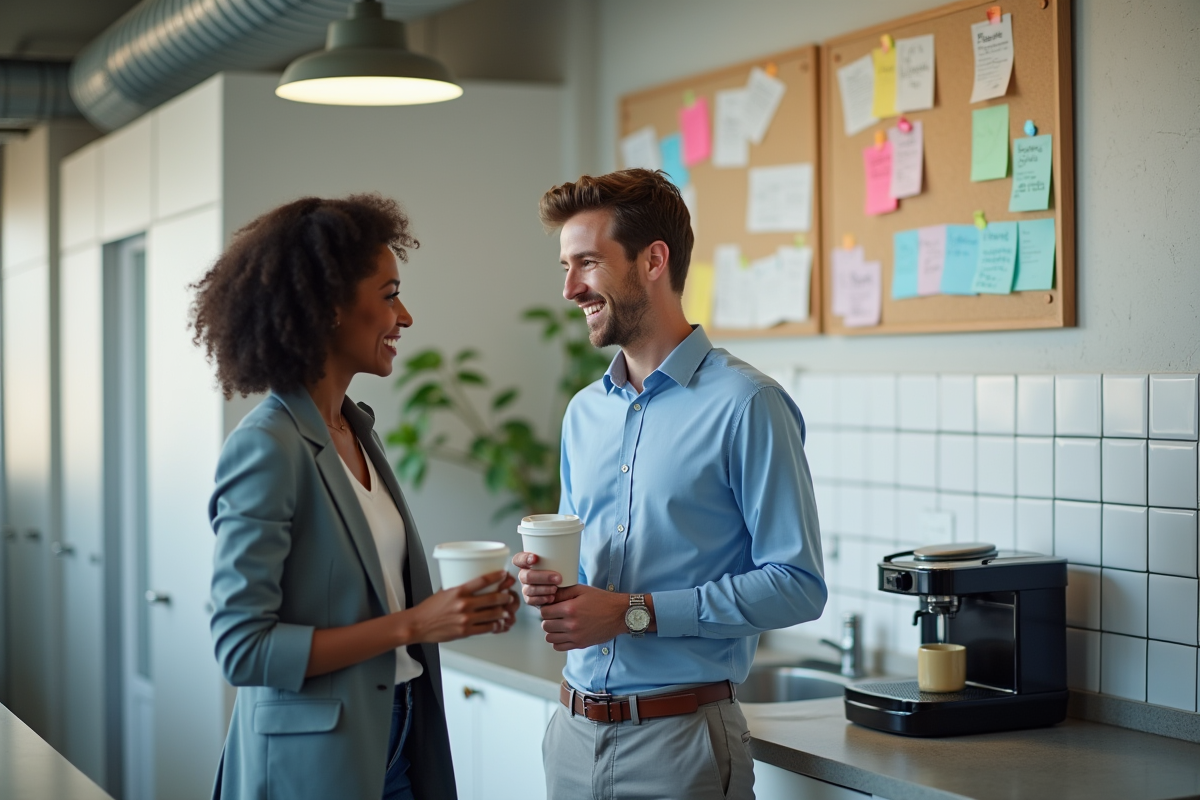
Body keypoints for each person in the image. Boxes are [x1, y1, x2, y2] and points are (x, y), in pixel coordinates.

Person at [192, 194, 520, 800]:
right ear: (331, 308)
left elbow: (366, 598)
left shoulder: (353, 429)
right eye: (390, 294)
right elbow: (243, 648)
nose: (407, 317)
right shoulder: (267, 446)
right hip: (309, 763)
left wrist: (450, 613)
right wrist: (411, 623)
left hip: (398, 737)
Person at [514, 169, 827, 800]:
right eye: (565, 266)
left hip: (680, 748)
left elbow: (798, 587)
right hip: (571, 738)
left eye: (588, 263)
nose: (571, 288)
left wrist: (631, 612)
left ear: (653, 259)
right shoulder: (584, 413)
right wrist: (552, 588)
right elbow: (590, 575)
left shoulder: (748, 404)